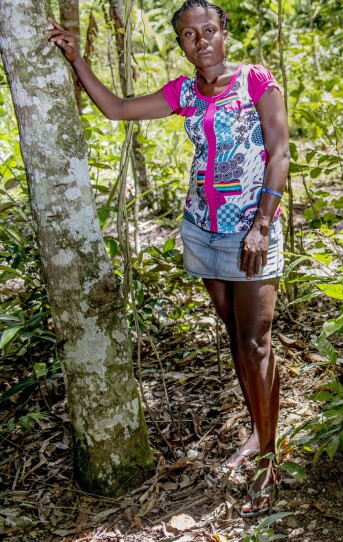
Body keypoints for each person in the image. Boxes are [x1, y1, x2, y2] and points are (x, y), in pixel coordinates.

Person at [46, 0, 288, 517]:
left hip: (252, 232)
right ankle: (257, 429)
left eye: (209, 29)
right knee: (236, 337)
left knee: (255, 343)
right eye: (188, 34)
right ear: (180, 44)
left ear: (224, 32)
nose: (201, 40)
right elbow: (116, 109)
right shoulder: (183, 92)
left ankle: (268, 461)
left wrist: (263, 224)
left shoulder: (256, 81)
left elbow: (280, 151)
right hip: (203, 231)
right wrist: (76, 59)